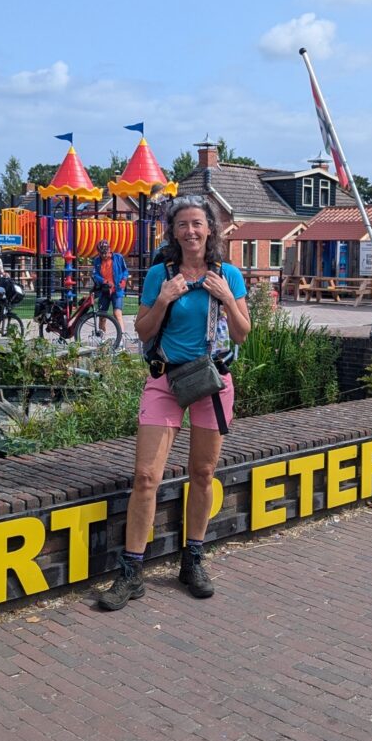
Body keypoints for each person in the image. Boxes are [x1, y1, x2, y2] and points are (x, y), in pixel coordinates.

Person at [97, 195, 250, 611]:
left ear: (210, 229)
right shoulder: (159, 276)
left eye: (198, 223)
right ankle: (132, 572)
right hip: (166, 379)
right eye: (183, 224)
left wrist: (225, 296)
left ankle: (193, 559)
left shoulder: (229, 274)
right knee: (146, 475)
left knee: (202, 472)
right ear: (174, 232)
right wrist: (163, 299)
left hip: (212, 380)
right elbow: (144, 332)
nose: (191, 231)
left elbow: (241, 334)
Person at [91, 239, 129, 334]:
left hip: (117, 290)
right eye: (101, 254)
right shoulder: (97, 261)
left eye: (105, 253)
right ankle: (102, 339)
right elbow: (95, 274)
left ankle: (121, 337)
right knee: (102, 316)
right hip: (104, 291)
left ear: (109, 250)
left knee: (117, 313)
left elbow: (125, 271)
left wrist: (124, 280)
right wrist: (104, 281)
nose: (104, 256)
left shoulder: (118, 257)